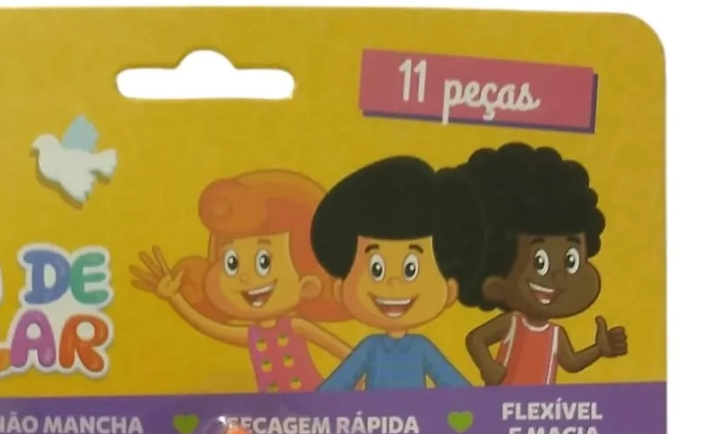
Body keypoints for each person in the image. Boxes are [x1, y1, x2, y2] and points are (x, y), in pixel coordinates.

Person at [131, 170, 350, 392]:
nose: (245, 277)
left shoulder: (295, 326)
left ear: (308, 283)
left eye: (264, 262)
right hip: (274, 408)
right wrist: (175, 298)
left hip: (313, 399)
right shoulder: (253, 335)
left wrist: (360, 382)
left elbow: (346, 354)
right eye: (232, 263)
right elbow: (208, 327)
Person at [458, 143, 627, 386]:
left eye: (571, 261)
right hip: (503, 401)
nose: (559, 277)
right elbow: (476, 339)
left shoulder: (556, 334)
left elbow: (571, 363)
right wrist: (488, 367)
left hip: (543, 405)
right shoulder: (513, 324)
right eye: (540, 262)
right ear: (496, 284)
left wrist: (599, 350)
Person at [311, 156, 480, 389]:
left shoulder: (421, 348)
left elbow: (452, 383)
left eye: (411, 269)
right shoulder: (370, 348)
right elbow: (337, 384)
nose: (393, 282)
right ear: (340, 289)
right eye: (376, 269)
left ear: (450, 290)